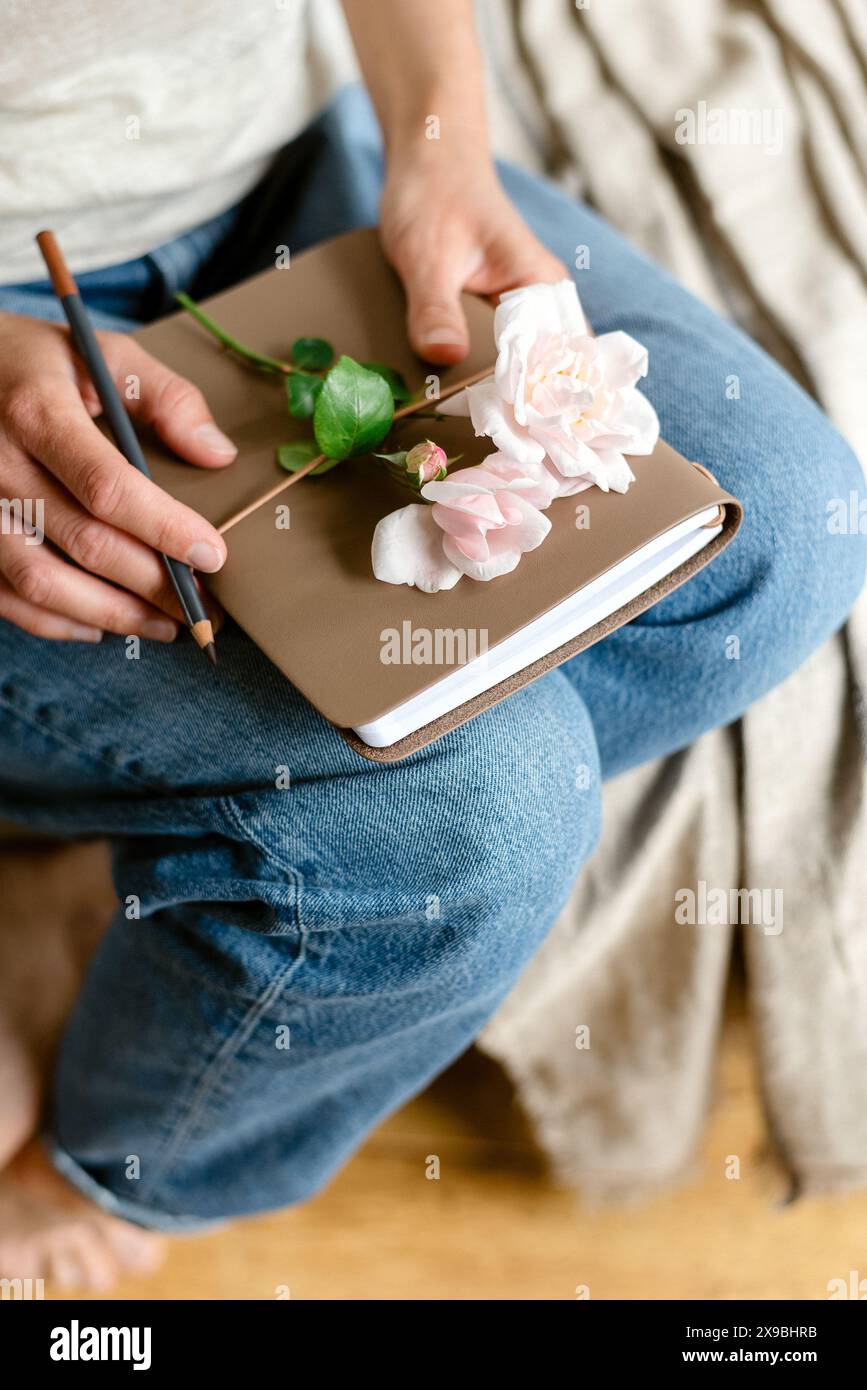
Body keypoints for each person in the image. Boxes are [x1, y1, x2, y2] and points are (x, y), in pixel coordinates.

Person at [0, 0, 863, 1289]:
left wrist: (438, 138)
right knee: (479, 808)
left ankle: (192, 840)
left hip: (294, 173)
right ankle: (109, 1165)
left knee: (781, 532)